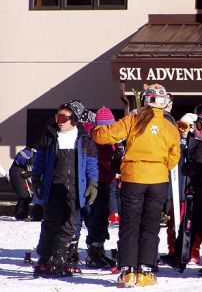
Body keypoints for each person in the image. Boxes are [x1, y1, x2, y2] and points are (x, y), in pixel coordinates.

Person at [92, 83, 180, 287]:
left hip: (133, 178)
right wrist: (159, 166)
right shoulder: (169, 126)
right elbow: (174, 157)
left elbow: (103, 135)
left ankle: (128, 271)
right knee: (150, 226)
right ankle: (146, 271)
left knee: (130, 225)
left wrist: (95, 127)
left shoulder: (133, 120)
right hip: (158, 180)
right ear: (164, 102)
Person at [32, 101, 98, 275]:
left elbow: (91, 162)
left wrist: (93, 183)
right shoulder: (50, 135)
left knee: (70, 225)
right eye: (57, 117)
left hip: (76, 187)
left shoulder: (84, 137)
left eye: (64, 117)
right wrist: (36, 179)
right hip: (53, 186)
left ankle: (60, 257)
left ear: (74, 119)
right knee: (50, 223)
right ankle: (45, 258)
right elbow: (39, 159)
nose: (59, 121)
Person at [163, 109, 202, 276]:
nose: (195, 128)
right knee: (189, 224)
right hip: (199, 189)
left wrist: (187, 167)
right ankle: (179, 256)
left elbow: (196, 168)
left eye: (198, 124)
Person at [165, 112, 202, 265]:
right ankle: (173, 250)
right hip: (175, 191)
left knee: (192, 223)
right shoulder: (175, 144)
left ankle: (193, 251)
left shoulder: (197, 145)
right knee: (173, 223)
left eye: (185, 126)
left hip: (190, 192)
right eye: (179, 126)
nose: (181, 130)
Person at [85, 107, 118, 269]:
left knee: (99, 218)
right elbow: (107, 162)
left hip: (103, 182)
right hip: (100, 183)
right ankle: (94, 252)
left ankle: (98, 251)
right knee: (98, 218)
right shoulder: (101, 141)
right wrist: (118, 165)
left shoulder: (98, 137)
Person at [9, 147, 43, 221]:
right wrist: (29, 160)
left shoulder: (41, 155)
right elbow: (19, 158)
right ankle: (20, 216)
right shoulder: (29, 152)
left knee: (31, 196)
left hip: (25, 175)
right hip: (18, 174)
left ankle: (22, 215)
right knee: (25, 195)